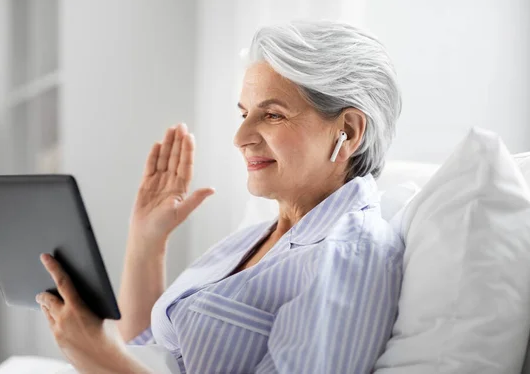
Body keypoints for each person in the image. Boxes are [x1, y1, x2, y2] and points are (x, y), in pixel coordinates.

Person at [36, 20, 404, 373]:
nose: (241, 136)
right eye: (244, 114)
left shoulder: (346, 254)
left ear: (350, 132)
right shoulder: (265, 234)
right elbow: (151, 352)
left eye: (273, 115)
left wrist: (101, 358)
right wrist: (147, 238)